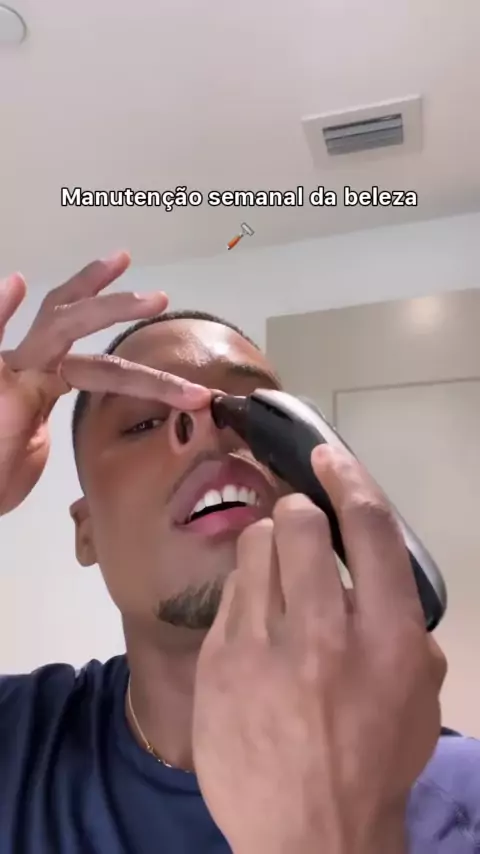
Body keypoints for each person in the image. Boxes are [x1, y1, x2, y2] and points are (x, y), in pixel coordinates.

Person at [0, 251, 478, 854]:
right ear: (85, 531)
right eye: (143, 423)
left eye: (254, 412)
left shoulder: (466, 798)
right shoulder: (16, 741)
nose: (209, 426)